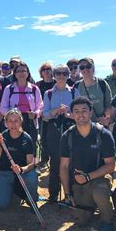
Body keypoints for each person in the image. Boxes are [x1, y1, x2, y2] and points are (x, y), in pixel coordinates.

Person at [59, 97, 116, 231]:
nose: (80, 114)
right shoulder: (67, 136)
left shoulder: (103, 134)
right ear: (71, 114)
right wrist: (67, 194)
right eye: (76, 111)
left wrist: (89, 176)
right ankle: (91, 206)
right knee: (81, 220)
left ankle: (107, 220)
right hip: (78, 182)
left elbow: (111, 165)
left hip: (99, 178)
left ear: (91, 112)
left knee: (99, 193)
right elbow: (64, 166)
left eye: (84, 110)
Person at [0, 109, 39, 210]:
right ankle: (10, 190)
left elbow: (32, 164)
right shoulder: (2, 137)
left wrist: (21, 169)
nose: (13, 124)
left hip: (22, 174)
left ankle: (32, 199)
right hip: (5, 173)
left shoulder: (27, 139)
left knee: (32, 177)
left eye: (16, 121)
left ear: (21, 121)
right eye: (10, 121)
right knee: (0, 205)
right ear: (5, 123)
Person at [42, 64, 76, 202]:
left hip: (70, 128)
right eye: (58, 73)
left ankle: (71, 192)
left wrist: (67, 114)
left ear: (68, 75)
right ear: (54, 76)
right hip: (54, 128)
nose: (61, 76)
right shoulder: (48, 93)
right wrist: (56, 111)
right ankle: (54, 193)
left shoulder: (74, 92)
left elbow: (78, 114)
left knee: (71, 160)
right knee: (55, 160)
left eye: (64, 73)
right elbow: (44, 115)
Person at [0, 61, 43, 158]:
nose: (22, 73)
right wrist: (11, 115)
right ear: (14, 74)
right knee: (14, 145)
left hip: (30, 120)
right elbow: (3, 107)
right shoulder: (9, 89)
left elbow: (40, 105)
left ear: (28, 73)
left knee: (30, 144)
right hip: (14, 121)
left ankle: (31, 167)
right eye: (19, 71)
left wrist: (36, 114)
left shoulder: (34, 89)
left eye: (24, 71)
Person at [73, 57, 112, 127]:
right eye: (82, 67)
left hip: (101, 124)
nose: (85, 69)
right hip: (83, 125)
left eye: (88, 66)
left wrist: (104, 117)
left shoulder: (102, 83)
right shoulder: (76, 86)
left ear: (93, 68)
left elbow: (109, 104)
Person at [36, 62, 56, 169]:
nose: (47, 71)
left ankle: (55, 160)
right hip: (42, 116)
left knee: (55, 138)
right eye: (44, 70)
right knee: (43, 138)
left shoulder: (56, 83)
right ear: (41, 72)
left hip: (55, 115)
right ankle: (44, 160)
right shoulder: (38, 85)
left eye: (49, 69)